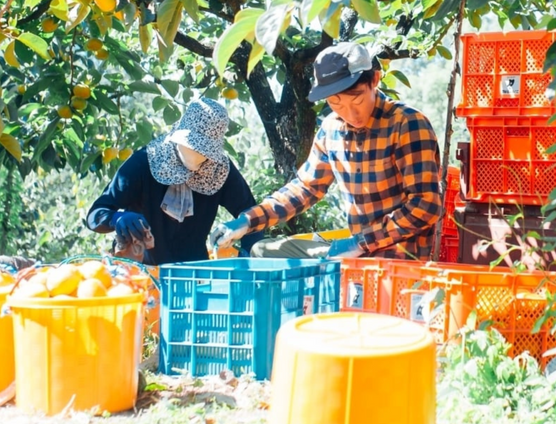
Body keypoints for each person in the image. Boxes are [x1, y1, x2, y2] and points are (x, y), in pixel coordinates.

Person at [208, 42, 442, 260]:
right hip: (353, 253)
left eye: (357, 101)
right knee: (261, 251)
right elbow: (306, 188)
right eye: (336, 103)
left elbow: (426, 205)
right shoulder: (332, 128)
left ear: (375, 80)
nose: (350, 114)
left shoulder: (407, 123)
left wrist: (361, 243)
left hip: (397, 258)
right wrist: (247, 221)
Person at [85, 98, 261, 265]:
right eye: (192, 145)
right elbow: (95, 214)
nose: (198, 153)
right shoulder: (144, 162)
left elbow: (253, 216)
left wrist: (248, 260)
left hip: (194, 274)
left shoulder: (219, 170)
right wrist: (117, 218)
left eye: (204, 150)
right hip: (140, 272)